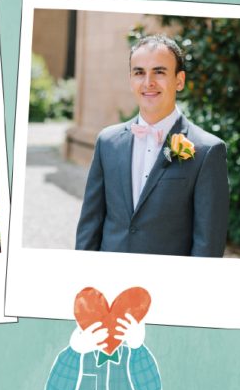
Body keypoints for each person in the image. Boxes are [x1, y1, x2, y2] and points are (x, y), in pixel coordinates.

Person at [75, 34, 230, 257]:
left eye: (159, 72)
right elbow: (90, 223)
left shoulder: (207, 151)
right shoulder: (107, 142)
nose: (148, 82)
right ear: (131, 81)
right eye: (139, 73)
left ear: (179, 80)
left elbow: (208, 243)